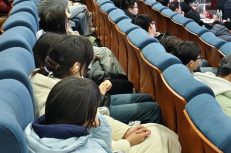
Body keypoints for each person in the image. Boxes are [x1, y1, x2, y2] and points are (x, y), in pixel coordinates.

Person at [24, 77, 181, 153]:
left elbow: (102, 150)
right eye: (94, 110)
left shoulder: (55, 129)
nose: (96, 115)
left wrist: (97, 125)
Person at [30, 33, 162, 125]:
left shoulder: (57, 77)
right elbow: (83, 120)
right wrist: (99, 94)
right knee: (153, 109)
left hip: (98, 104)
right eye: (86, 63)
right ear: (76, 66)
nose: (88, 67)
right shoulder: (61, 93)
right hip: (97, 113)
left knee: (146, 97)